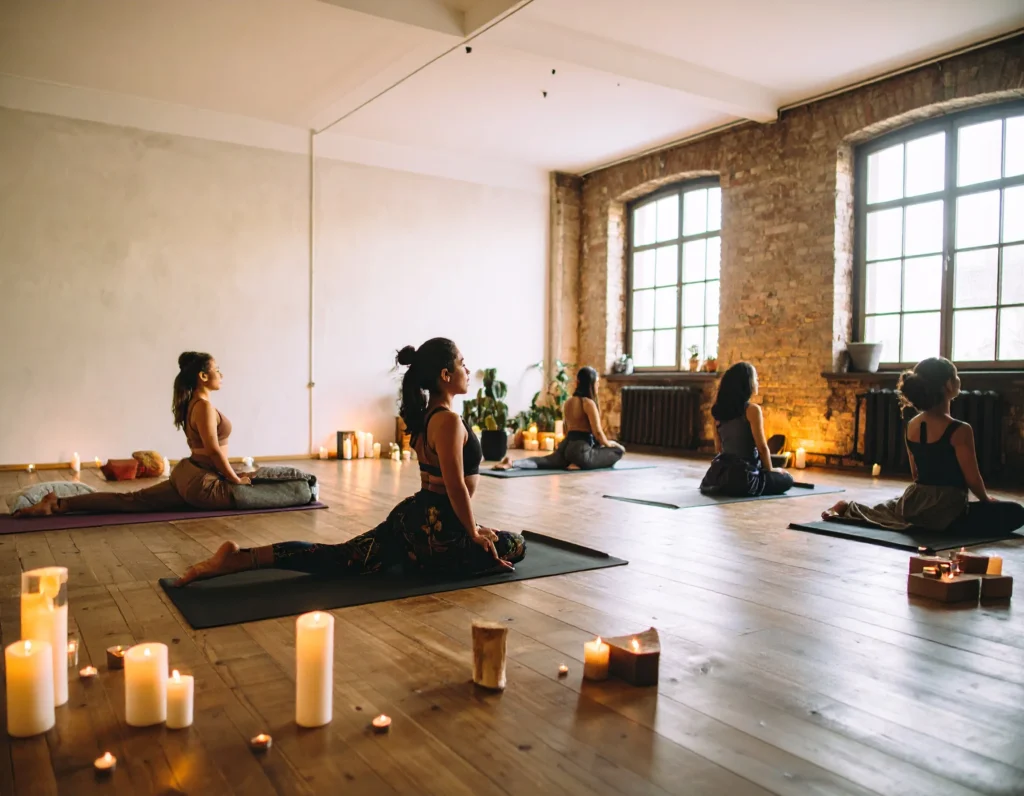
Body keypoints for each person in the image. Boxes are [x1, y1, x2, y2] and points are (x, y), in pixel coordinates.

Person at [174, 338, 525, 585]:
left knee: (338, 557)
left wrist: (473, 527)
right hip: (439, 530)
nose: (468, 369)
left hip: (416, 518)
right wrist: (472, 531)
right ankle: (427, 559)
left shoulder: (429, 415)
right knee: (516, 545)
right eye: (462, 363)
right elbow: (455, 485)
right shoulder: (447, 421)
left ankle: (243, 557)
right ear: (445, 375)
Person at [15, 351, 294, 517]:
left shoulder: (193, 404)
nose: (221, 374)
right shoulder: (204, 407)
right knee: (264, 486)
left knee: (130, 501)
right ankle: (57, 505)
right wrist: (234, 479)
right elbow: (213, 450)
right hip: (202, 483)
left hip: (189, 474)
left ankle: (57, 505)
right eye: (217, 369)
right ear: (203, 376)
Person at [823, 357, 1024, 532]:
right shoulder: (961, 429)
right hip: (948, 509)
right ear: (948, 385)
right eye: (955, 376)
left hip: (914, 504)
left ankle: (848, 508)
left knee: (892, 509)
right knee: (1016, 512)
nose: (959, 380)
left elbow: (916, 475)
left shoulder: (912, 425)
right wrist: (985, 500)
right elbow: (972, 479)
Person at [494, 367, 625, 472]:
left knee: (545, 461)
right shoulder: (588, 403)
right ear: (591, 384)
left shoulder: (568, 402)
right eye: (597, 383)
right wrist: (609, 444)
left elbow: (565, 428)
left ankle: (512, 463)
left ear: (578, 383)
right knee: (619, 450)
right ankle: (577, 464)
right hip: (581, 450)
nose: (598, 385)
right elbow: (597, 433)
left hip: (566, 446)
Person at [700, 361, 794, 497]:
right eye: (755, 379)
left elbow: (719, 448)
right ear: (747, 384)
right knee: (787, 478)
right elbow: (762, 448)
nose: (757, 382)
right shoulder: (752, 410)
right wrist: (771, 471)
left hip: (719, 478)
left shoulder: (718, 411)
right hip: (745, 479)